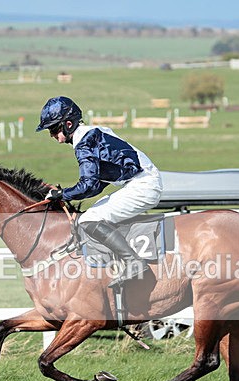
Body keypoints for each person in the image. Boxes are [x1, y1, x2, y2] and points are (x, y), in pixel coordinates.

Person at [36, 96, 163, 286]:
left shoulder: (84, 143)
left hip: (143, 185)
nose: (52, 135)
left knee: (89, 219)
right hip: (141, 182)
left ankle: (133, 262)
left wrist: (62, 194)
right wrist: (66, 194)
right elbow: (95, 186)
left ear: (68, 124)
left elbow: (87, 184)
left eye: (54, 129)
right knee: (91, 215)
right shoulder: (92, 134)